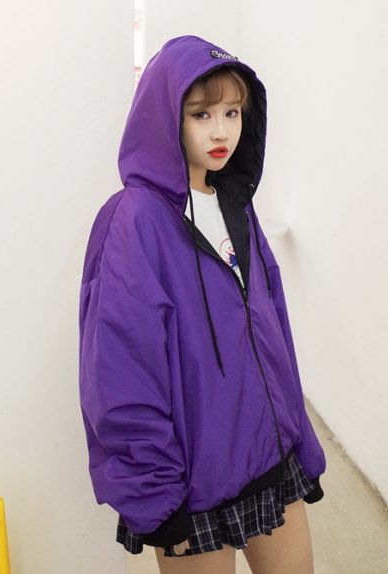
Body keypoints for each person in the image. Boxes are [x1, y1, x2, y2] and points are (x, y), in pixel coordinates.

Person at [78, 35, 326, 574]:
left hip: (271, 458)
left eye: (233, 113)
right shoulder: (133, 221)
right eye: (201, 114)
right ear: (165, 116)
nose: (221, 131)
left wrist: (299, 437)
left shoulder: (235, 203)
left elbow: (273, 328)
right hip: (192, 487)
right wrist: (153, 495)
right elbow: (120, 368)